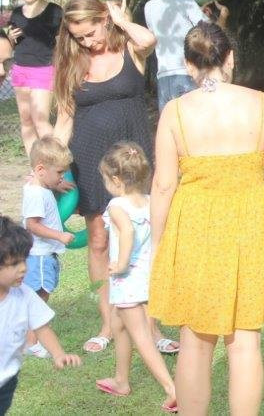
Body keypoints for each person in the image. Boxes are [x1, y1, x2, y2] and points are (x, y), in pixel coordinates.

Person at [149, 22, 264, 415]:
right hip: (249, 221)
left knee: (195, 337)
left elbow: (163, 185)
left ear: (188, 65)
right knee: (245, 338)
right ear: (230, 57)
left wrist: (158, 242)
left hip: (195, 221)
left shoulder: (175, 111)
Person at [51, 0, 165, 355]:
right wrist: (46, 168)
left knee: (144, 241)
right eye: (78, 36)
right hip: (89, 160)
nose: (87, 41)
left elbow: (148, 40)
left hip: (134, 162)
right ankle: (108, 323)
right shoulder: (71, 63)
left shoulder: (131, 49)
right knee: (99, 241)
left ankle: (152, 325)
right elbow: (64, 122)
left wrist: (120, 19)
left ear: (104, 19)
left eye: (91, 32)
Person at [95, 142, 177, 412]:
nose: (106, 184)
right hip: (149, 277)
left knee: (141, 336)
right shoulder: (151, 201)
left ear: (117, 180)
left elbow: (127, 233)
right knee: (119, 326)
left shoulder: (117, 205)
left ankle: (172, 389)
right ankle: (121, 380)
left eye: (106, 179)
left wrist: (120, 264)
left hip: (128, 280)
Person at [0, 216, 81, 414]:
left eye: (24, 260)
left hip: (6, 380)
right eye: (14, 264)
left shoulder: (24, 295)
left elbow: (42, 328)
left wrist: (58, 354)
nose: (24, 268)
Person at [144, 0, 229, 112]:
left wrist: (198, 12)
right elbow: (212, 34)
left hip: (163, 79)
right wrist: (223, 16)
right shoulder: (187, 3)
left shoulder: (148, 6)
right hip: (187, 73)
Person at [20, 136, 74, 358]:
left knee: (40, 297)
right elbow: (32, 225)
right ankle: (31, 343)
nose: (61, 176)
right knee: (38, 298)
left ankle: (30, 340)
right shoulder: (35, 194)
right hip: (40, 255)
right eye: (59, 173)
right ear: (41, 169)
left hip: (43, 255)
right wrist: (59, 235)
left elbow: (45, 181)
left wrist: (58, 184)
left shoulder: (39, 186)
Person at [6, 0, 63, 157]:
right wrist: (10, 39)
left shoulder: (54, 11)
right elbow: (9, 47)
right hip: (21, 68)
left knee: (41, 120)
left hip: (44, 68)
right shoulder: (16, 13)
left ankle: (57, 162)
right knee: (26, 120)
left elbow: (61, 43)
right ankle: (35, 165)